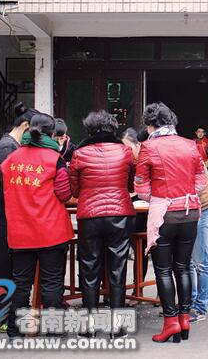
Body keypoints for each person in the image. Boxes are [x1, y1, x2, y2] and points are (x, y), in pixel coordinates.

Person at [135, 102, 206, 344]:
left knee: (163, 270)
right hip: (190, 212)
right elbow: (201, 181)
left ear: (151, 125)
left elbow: (140, 185)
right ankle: (185, 319)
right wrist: (184, 194)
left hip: (164, 214)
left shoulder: (148, 147)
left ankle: (170, 322)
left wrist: (156, 198)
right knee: (183, 267)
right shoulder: (190, 145)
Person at [1, 113, 74, 337]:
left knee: (21, 283)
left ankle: (15, 330)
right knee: (51, 283)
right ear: (51, 134)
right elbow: (64, 193)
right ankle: (53, 331)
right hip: (51, 231)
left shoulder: (11, 159)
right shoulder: (54, 159)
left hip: (20, 232)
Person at [69, 110, 135, 332]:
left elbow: (74, 190)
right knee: (118, 269)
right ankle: (118, 327)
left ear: (89, 129)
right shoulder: (125, 152)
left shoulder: (79, 154)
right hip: (120, 214)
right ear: (112, 128)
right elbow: (130, 185)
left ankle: (89, 327)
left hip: (90, 215)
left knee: (89, 269)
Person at [0, 102, 36, 333]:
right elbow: (11, 186)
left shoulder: (13, 146)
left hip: (4, 217)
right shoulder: (6, 148)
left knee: (8, 267)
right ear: (25, 126)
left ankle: (7, 313)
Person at [189, 160, 208, 323]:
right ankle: (189, 302)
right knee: (187, 262)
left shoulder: (194, 160)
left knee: (201, 262)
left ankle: (200, 307)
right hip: (187, 211)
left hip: (204, 209)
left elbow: (198, 187)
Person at [121, 127, 150, 283]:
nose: (126, 152)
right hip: (129, 208)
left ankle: (140, 285)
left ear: (138, 145)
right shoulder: (125, 163)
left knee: (144, 248)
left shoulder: (147, 161)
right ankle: (135, 287)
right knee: (135, 249)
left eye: (128, 148)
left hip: (146, 210)